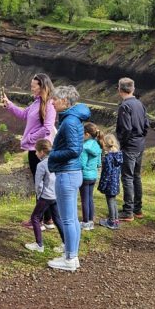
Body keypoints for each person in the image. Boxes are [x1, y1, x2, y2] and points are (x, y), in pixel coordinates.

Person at [1, 74, 57, 228]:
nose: (31, 88)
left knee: (40, 184)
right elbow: (23, 114)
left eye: (34, 86)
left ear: (42, 87)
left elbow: (46, 128)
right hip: (35, 149)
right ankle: (48, 219)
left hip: (39, 150)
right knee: (43, 183)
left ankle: (38, 220)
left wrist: (30, 139)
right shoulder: (36, 102)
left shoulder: (50, 105)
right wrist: (9, 105)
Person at [47, 85, 90, 272]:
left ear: (65, 101)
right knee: (71, 218)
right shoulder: (72, 119)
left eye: (55, 99)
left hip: (67, 173)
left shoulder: (70, 121)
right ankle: (71, 254)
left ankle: (70, 259)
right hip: (71, 173)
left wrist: (52, 154)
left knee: (68, 219)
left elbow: (74, 150)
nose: (52, 102)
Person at [115, 77, 148, 221]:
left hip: (130, 145)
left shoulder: (125, 106)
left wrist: (121, 142)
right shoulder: (140, 104)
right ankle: (137, 209)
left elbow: (126, 129)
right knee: (136, 176)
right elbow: (147, 124)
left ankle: (128, 211)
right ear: (133, 89)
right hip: (140, 143)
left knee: (127, 177)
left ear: (119, 89)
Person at [24, 139, 62, 253]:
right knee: (57, 219)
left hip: (45, 196)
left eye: (36, 151)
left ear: (41, 152)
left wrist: (39, 196)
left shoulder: (41, 165)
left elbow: (38, 184)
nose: (35, 153)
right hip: (55, 195)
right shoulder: (56, 162)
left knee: (35, 218)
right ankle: (65, 243)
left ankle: (39, 245)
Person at [79, 122, 102, 231]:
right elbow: (98, 163)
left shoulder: (84, 147)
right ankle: (91, 221)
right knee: (90, 199)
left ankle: (85, 222)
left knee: (84, 200)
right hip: (93, 176)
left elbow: (82, 164)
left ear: (87, 134)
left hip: (84, 176)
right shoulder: (97, 145)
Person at [97, 133, 123, 230]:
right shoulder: (119, 155)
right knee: (114, 201)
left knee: (110, 201)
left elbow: (107, 173)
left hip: (109, 183)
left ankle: (111, 221)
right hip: (115, 183)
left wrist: (102, 185)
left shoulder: (108, 157)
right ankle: (116, 220)